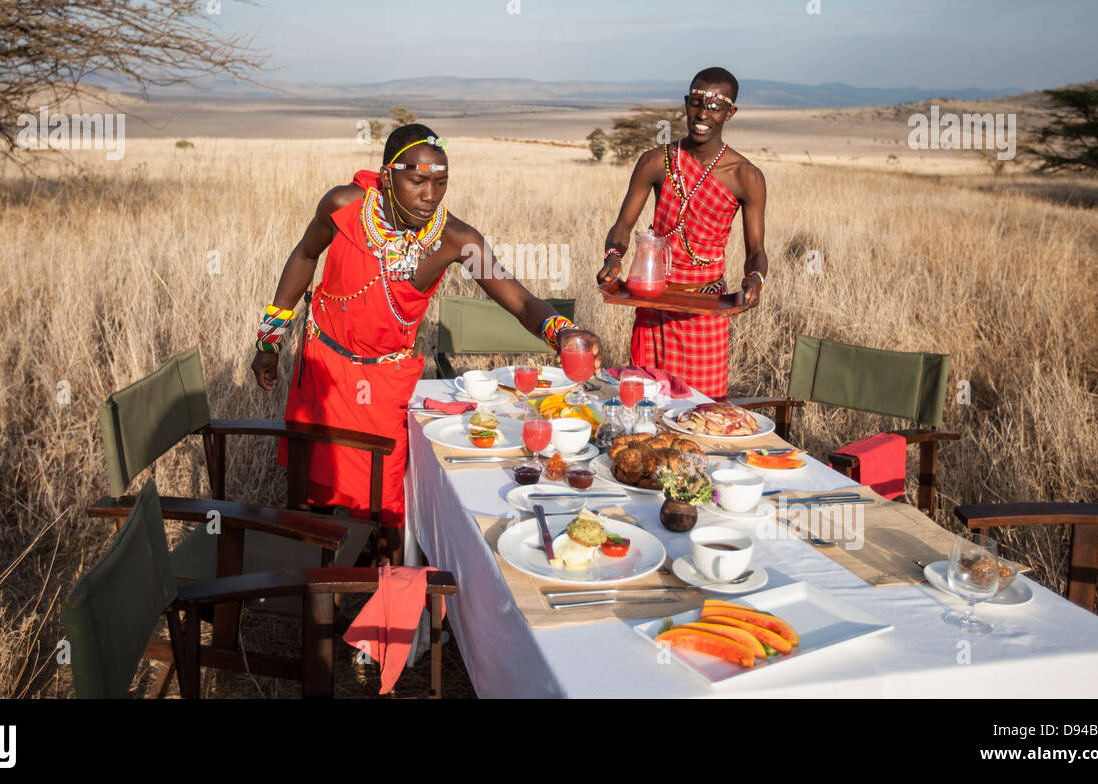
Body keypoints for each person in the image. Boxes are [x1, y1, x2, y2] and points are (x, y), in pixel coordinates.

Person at [252, 123, 602, 558]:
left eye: (440, 182)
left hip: (384, 383)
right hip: (322, 368)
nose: (429, 194)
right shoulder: (343, 206)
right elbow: (305, 255)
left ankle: (380, 593)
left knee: (382, 507)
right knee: (308, 492)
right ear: (386, 177)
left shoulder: (454, 239)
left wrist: (563, 331)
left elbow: (522, 302)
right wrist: (269, 339)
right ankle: (306, 582)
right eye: (416, 180)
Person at [596, 67, 766, 399]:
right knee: (647, 407)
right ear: (686, 103)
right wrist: (613, 259)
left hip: (708, 309)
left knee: (703, 410)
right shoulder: (655, 162)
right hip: (654, 300)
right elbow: (621, 228)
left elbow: (756, 249)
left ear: (729, 113)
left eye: (715, 107)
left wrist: (756, 277)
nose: (703, 114)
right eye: (696, 103)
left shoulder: (746, 177)